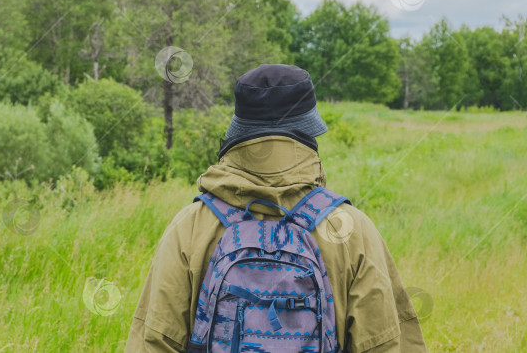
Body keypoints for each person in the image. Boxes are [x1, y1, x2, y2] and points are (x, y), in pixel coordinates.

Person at [126, 64, 427, 352]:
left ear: (238, 131)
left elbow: (154, 340)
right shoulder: (350, 228)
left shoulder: (190, 226)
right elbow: (385, 342)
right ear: (309, 133)